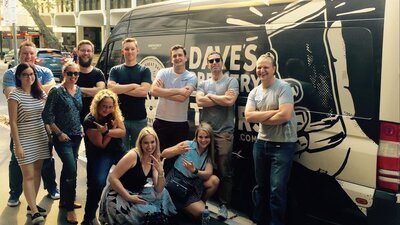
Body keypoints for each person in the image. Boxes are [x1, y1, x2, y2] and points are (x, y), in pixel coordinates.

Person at [2, 41, 60, 208]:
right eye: (25, 53)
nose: (28, 56)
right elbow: (11, 94)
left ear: (36, 55)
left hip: (41, 130)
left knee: (46, 161)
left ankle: (50, 188)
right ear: (19, 54)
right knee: (17, 162)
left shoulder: (45, 71)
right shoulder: (11, 73)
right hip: (22, 129)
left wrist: (34, 82)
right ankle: (15, 193)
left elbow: (50, 93)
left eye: (31, 54)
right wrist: (34, 85)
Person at [245, 53, 297, 225]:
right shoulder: (254, 92)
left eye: (266, 67)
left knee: (277, 190)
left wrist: (260, 116)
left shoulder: (283, 88)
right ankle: (258, 220)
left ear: (274, 69)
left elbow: (285, 115)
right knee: (261, 187)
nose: (261, 70)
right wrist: (275, 112)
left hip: (283, 146)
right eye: (259, 67)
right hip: (261, 144)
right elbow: (249, 117)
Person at [99, 127, 176, 225]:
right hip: (119, 193)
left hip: (136, 192)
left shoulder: (154, 157)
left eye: (152, 142)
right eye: (146, 143)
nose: (150, 146)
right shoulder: (133, 156)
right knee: (151, 213)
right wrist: (128, 197)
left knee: (164, 194)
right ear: (140, 143)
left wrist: (161, 172)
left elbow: (159, 189)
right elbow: (112, 178)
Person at [195, 51, 239, 220]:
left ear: (222, 63)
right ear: (208, 65)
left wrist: (211, 96)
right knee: (202, 167)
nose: (214, 63)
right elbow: (200, 101)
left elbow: (230, 101)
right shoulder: (203, 83)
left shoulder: (231, 81)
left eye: (217, 60)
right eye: (211, 61)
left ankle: (223, 205)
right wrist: (220, 98)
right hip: (205, 134)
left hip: (224, 133)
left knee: (224, 170)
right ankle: (200, 200)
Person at [8, 63, 50, 224]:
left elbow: (46, 117)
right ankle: (33, 211)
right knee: (29, 175)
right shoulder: (14, 95)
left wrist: (49, 138)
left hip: (40, 136)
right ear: (18, 77)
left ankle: (32, 205)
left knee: (38, 172)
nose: (29, 77)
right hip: (24, 138)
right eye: (25, 74)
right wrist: (17, 145)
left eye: (31, 74)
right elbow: (12, 123)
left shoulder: (40, 94)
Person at [42, 62, 83, 224]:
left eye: (76, 74)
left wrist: (82, 128)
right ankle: (70, 209)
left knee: (68, 169)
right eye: (70, 73)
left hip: (76, 136)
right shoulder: (56, 92)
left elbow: (78, 111)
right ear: (64, 73)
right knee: (72, 169)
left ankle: (65, 201)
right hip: (62, 138)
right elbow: (47, 115)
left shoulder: (78, 90)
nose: (73, 76)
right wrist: (58, 133)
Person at [81, 89, 127, 225]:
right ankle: (88, 217)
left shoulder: (114, 114)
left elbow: (122, 132)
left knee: (133, 171)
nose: (107, 109)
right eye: (104, 106)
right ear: (97, 105)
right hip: (100, 154)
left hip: (118, 150)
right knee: (98, 183)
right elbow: (101, 144)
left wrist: (107, 131)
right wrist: (110, 132)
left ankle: (124, 212)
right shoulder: (90, 120)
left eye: (110, 106)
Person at [150, 44, 197, 173]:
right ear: (171, 59)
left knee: (176, 159)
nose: (177, 58)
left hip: (180, 124)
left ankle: (170, 188)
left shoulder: (191, 76)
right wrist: (178, 90)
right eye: (174, 56)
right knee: (156, 156)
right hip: (161, 121)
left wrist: (163, 91)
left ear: (185, 58)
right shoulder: (164, 72)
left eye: (180, 55)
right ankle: (156, 186)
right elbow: (153, 91)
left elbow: (184, 97)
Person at [161, 122, 220, 219]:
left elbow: (208, 174)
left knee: (214, 180)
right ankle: (184, 206)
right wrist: (177, 151)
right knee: (200, 212)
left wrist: (194, 171)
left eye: (206, 137)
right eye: (200, 137)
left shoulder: (209, 153)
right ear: (196, 137)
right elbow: (164, 153)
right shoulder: (187, 144)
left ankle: (195, 203)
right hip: (176, 179)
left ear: (211, 138)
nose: (203, 140)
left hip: (193, 182)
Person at [107, 37, 151, 149]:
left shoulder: (144, 70)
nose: (129, 52)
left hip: (139, 119)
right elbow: (110, 89)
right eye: (127, 49)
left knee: (139, 151)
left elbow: (143, 92)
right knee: (121, 153)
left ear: (137, 50)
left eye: (132, 49)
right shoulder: (115, 70)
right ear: (122, 52)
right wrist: (132, 86)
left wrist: (120, 88)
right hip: (120, 119)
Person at [76, 40, 106, 123]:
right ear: (77, 52)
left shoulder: (98, 73)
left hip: (93, 118)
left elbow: (100, 92)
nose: (86, 53)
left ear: (92, 53)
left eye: (88, 51)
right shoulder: (71, 72)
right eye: (83, 50)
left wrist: (77, 89)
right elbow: (66, 92)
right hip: (73, 119)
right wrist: (91, 90)